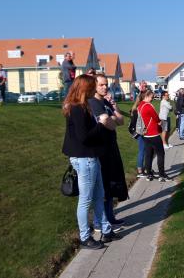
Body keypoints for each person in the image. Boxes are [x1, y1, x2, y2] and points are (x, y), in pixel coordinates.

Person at [62, 74, 118, 249]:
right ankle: (85, 237)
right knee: (86, 199)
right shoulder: (77, 108)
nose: (95, 89)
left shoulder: (82, 106)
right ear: (84, 88)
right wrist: (101, 124)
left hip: (91, 157)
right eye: (92, 86)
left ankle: (105, 230)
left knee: (99, 195)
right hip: (85, 158)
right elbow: (84, 137)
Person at [88, 74, 128, 232]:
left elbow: (120, 121)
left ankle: (109, 218)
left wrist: (114, 106)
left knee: (110, 185)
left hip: (111, 147)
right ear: (94, 86)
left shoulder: (105, 101)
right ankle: (100, 222)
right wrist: (111, 119)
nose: (105, 88)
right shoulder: (93, 102)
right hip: (102, 149)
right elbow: (110, 125)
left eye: (106, 85)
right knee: (103, 186)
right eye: (101, 85)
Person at [138, 90, 171, 182]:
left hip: (145, 134)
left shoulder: (140, 105)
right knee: (160, 154)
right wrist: (161, 124)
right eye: (152, 97)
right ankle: (162, 175)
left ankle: (149, 174)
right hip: (153, 134)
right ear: (147, 96)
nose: (152, 99)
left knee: (148, 154)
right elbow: (156, 118)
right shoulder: (148, 106)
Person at [128, 93, 147, 178]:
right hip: (139, 132)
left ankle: (146, 168)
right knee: (142, 150)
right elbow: (136, 123)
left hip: (140, 131)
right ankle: (140, 170)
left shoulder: (135, 109)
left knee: (145, 150)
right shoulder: (137, 110)